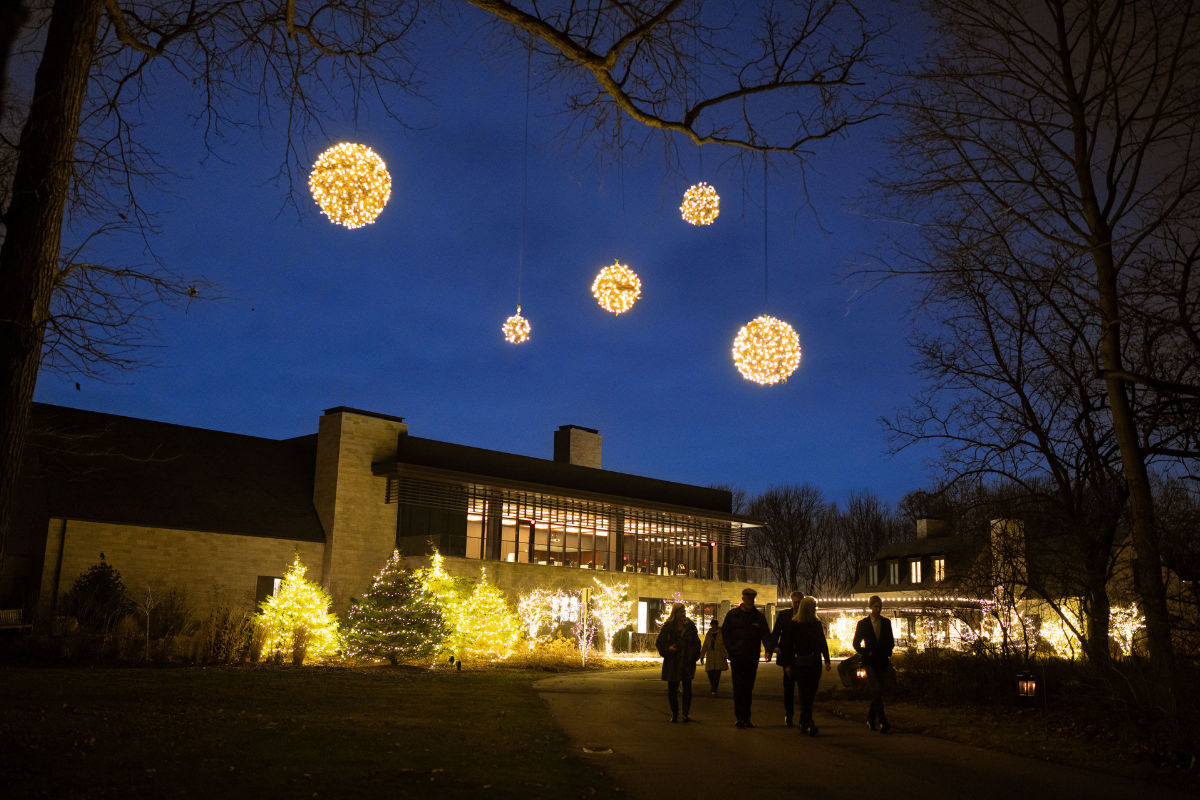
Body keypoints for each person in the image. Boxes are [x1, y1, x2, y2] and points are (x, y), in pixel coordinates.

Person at [720, 587, 773, 728]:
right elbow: (725, 633)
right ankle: (740, 717)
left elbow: (765, 634)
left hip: (751, 656)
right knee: (738, 687)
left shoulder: (759, 617)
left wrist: (768, 649)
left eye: (752, 598)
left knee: (748, 687)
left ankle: (746, 717)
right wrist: (730, 648)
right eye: (748, 598)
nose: (750, 600)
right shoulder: (733, 615)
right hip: (737, 656)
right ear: (743, 598)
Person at [778, 596, 831, 735]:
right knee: (804, 692)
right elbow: (787, 647)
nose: (815, 608)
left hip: (814, 662)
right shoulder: (794, 625)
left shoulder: (816, 624)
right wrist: (787, 664)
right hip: (800, 662)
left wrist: (827, 660)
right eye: (813, 606)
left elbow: (822, 642)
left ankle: (804, 720)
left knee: (811, 692)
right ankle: (808, 721)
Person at [852, 595, 895, 734]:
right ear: (870, 607)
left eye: (880, 607)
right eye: (875, 606)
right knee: (876, 689)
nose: (878, 609)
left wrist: (888, 652)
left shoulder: (886, 622)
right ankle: (882, 720)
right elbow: (856, 642)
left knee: (878, 691)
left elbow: (890, 640)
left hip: (882, 660)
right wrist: (865, 653)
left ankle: (871, 719)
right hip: (870, 661)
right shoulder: (863, 623)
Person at [656, 603, 702, 722]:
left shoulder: (690, 626)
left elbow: (696, 643)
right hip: (673, 661)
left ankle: (686, 713)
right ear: (675, 613)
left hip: (687, 661)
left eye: (684, 612)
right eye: (680, 612)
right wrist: (668, 650)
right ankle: (675, 713)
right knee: (672, 688)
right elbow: (660, 642)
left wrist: (693, 655)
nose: (683, 614)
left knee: (687, 687)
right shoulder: (668, 626)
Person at [770, 590, 805, 725]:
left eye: (799, 602)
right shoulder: (785, 615)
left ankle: (802, 716)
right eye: (795, 602)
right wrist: (775, 646)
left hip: (801, 656)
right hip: (788, 656)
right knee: (789, 688)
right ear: (792, 602)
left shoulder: (806, 615)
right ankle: (789, 714)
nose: (797, 605)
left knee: (802, 689)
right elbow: (776, 632)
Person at [699, 618, 728, 695]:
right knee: (710, 672)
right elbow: (705, 645)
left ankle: (714, 688)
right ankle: (713, 686)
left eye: (715, 624)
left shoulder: (722, 633)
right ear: (711, 625)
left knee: (717, 673)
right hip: (711, 656)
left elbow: (726, 644)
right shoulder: (709, 634)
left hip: (719, 656)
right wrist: (702, 656)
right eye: (713, 624)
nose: (714, 626)